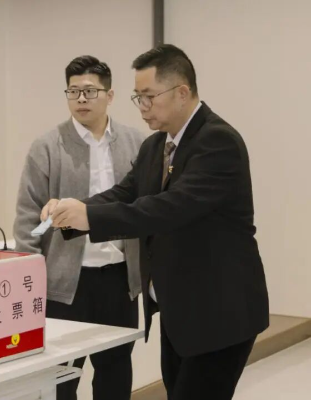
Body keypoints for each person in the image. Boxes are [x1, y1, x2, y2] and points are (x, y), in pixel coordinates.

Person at [44, 44, 269, 400]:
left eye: (149, 96)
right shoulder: (155, 146)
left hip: (220, 311)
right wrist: (73, 209)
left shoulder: (217, 141)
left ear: (181, 92)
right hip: (180, 311)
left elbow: (167, 208)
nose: (143, 106)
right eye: (138, 97)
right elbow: (124, 194)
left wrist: (89, 217)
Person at [14, 55, 145, 400]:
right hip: (64, 286)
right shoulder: (47, 146)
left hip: (119, 280)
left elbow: (145, 210)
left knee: (115, 373)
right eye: (73, 92)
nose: (81, 99)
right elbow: (27, 218)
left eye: (89, 91)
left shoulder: (136, 143)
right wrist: (30, 279)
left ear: (110, 95)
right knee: (61, 379)